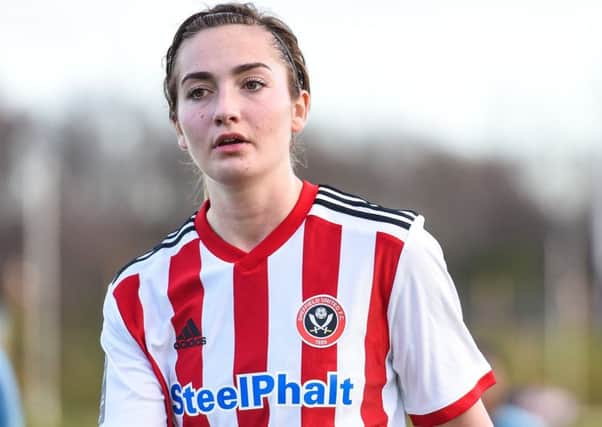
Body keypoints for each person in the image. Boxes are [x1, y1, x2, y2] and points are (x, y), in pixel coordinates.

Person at [99, 3, 496, 426]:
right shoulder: (138, 294)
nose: (224, 109)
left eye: (251, 84)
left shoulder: (392, 252)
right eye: (199, 91)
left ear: (299, 108)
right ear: (178, 125)